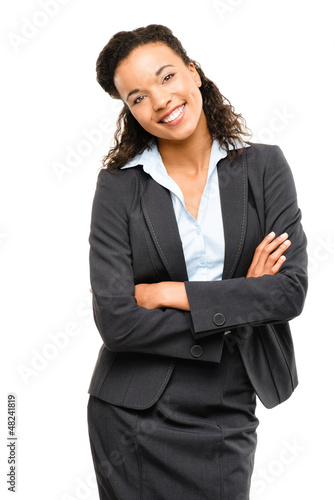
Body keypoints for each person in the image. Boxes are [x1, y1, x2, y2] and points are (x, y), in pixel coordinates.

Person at [87, 24, 308, 500]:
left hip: (226, 403)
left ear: (194, 73)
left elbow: (288, 291)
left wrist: (170, 293)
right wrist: (237, 305)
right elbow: (117, 322)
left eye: (167, 77)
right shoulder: (118, 187)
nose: (160, 100)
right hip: (132, 412)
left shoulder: (264, 168)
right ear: (130, 110)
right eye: (138, 97)